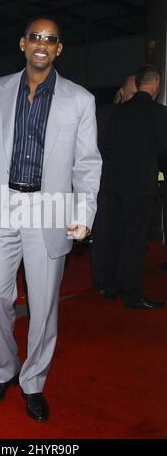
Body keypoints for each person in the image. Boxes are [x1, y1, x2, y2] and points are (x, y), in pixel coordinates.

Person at [0, 16, 102, 422]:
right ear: (22, 43)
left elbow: (87, 165)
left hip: (51, 210)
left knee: (43, 306)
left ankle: (33, 381)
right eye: (35, 37)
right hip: (3, 207)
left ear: (59, 49)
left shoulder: (80, 100)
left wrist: (83, 213)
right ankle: (6, 370)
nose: (42, 44)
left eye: (50, 40)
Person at [103, 64, 167, 309]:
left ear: (138, 84)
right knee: (135, 241)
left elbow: (106, 147)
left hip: (115, 184)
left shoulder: (117, 112)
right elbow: (164, 152)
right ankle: (132, 295)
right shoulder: (159, 114)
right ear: (156, 85)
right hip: (141, 186)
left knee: (114, 237)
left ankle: (111, 287)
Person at [92, 75, 137, 293]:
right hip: (105, 184)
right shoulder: (103, 115)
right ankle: (103, 281)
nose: (133, 97)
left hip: (124, 186)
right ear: (121, 92)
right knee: (103, 234)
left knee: (120, 235)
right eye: (131, 92)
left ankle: (114, 279)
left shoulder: (132, 118)